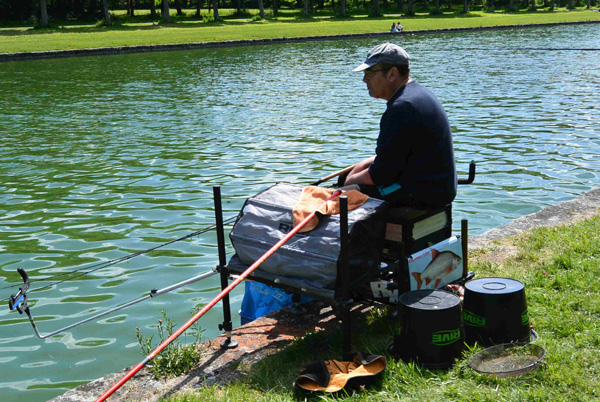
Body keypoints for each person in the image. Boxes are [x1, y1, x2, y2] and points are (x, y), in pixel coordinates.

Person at [343, 43, 457, 208]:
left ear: (392, 74)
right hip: (437, 187)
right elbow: (393, 159)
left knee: (348, 192)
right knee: (348, 179)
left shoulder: (401, 108)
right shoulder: (415, 94)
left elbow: (381, 175)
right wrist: (362, 167)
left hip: (423, 193)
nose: (364, 79)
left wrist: (348, 182)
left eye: (369, 72)